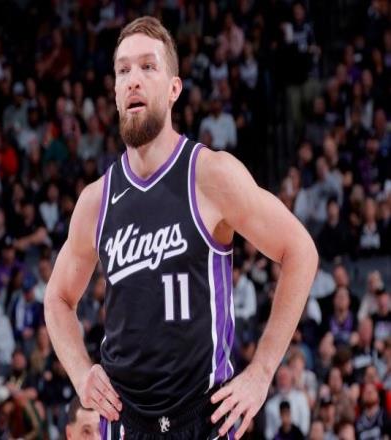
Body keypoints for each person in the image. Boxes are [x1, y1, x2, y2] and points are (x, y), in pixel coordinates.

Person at [44, 16, 318, 440]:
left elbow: (300, 250)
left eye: (147, 66)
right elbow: (58, 298)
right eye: (123, 70)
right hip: (124, 422)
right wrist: (81, 374)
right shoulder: (95, 200)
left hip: (202, 418)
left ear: (174, 89)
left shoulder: (211, 175)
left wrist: (262, 371)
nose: (133, 79)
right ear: (115, 92)